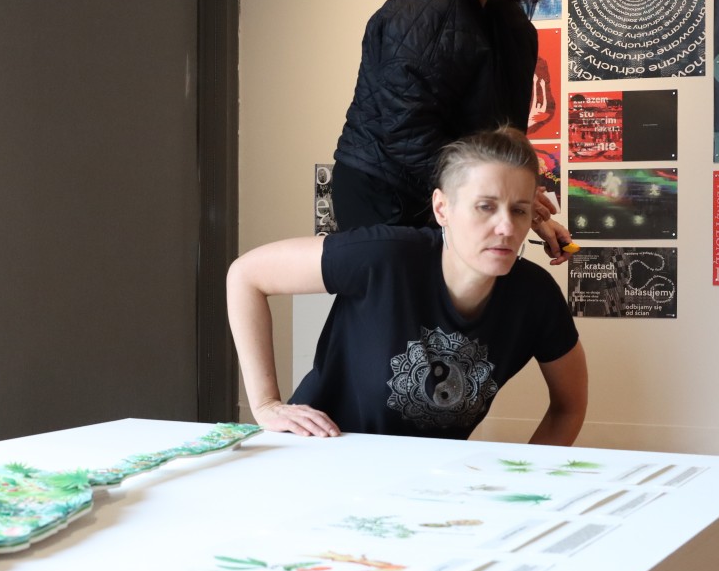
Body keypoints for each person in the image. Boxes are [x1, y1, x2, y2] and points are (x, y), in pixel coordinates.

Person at [229, 127, 587, 445]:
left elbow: (568, 408)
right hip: (318, 459)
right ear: (442, 208)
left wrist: (524, 477)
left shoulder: (535, 296)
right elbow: (246, 275)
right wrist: (265, 404)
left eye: (519, 210)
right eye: (485, 207)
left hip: (425, 483)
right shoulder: (385, 256)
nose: (506, 227)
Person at [330, 0, 573, 260]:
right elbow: (408, 134)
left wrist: (526, 208)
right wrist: (500, 197)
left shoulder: (510, 24)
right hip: (387, 197)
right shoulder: (422, 13)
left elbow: (498, 140)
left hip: (443, 192)